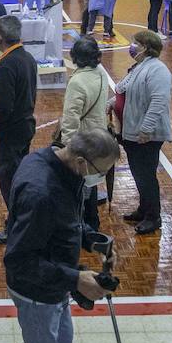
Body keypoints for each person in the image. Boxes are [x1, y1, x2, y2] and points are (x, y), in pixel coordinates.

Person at [5, 127, 119, 343]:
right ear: (83, 162)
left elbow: (65, 222)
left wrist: (94, 240)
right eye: (102, 170)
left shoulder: (58, 165)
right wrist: (76, 278)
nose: (103, 177)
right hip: (36, 292)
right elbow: (21, 259)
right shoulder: (41, 190)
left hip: (54, 287)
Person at [0, 15, 37, 245]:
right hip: (24, 127)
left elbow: (4, 105)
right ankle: (20, 223)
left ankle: (16, 228)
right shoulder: (27, 58)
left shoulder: (7, 65)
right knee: (18, 178)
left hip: (10, 132)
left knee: (10, 183)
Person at [118, 29, 172, 236]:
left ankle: (153, 217)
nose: (132, 47)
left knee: (146, 176)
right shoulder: (140, 67)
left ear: (147, 48)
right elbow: (126, 91)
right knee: (138, 174)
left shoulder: (158, 71)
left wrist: (146, 129)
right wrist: (112, 103)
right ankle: (144, 208)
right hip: (133, 132)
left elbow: (159, 102)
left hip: (147, 135)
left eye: (136, 44)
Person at [60, 37, 113, 231]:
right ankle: (92, 221)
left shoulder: (78, 81)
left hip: (82, 138)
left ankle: (84, 225)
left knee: (79, 183)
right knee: (90, 181)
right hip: (99, 134)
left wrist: (68, 146)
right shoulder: (101, 73)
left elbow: (71, 117)